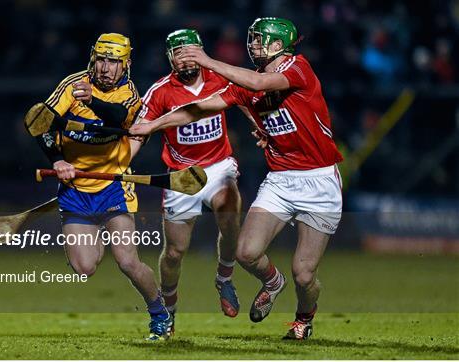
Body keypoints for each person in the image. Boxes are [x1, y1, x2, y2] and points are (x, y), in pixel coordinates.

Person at [130, 18, 343, 340]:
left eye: (260, 40)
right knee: (246, 253)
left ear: (278, 44)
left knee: (304, 273)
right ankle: (273, 282)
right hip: (281, 179)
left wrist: (206, 59)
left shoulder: (298, 68)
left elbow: (260, 86)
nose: (253, 44)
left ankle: (303, 318)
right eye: (253, 39)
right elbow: (197, 110)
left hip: (320, 180)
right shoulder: (246, 82)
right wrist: (152, 125)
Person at [34, 33, 171, 341]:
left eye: (114, 62)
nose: (106, 68)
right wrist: (57, 160)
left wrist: (91, 100)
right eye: (102, 60)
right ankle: (92, 238)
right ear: (93, 59)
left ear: (126, 65)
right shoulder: (72, 85)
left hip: (113, 187)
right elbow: (39, 122)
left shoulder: (129, 94)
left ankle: (160, 314)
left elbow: (120, 117)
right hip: (75, 190)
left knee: (127, 260)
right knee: (84, 267)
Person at [135, 29, 246, 329]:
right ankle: (168, 308)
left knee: (230, 210)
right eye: (179, 54)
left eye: (190, 52)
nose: (185, 60)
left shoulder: (220, 76)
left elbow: (246, 96)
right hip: (182, 175)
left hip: (220, 164)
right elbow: (140, 130)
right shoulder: (160, 91)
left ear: (202, 51)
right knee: (174, 252)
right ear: (169, 58)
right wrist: (125, 157)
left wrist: (257, 126)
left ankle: (224, 277)